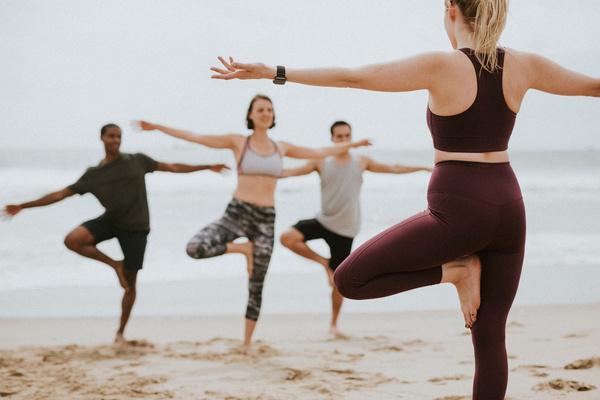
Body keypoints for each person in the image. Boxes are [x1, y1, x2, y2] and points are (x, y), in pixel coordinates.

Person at [209, 0, 600, 397]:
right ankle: (460, 273)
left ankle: (456, 272)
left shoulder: (443, 64)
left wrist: (275, 72)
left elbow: (354, 77)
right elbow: (594, 87)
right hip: (510, 208)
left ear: (451, 9)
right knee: (490, 338)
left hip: (460, 207)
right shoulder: (524, 63)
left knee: (349, 279)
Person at [136, 94, 371, 355]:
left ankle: (247, 343)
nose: (265, 113)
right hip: (237, 213)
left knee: (257, 283)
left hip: (265, 219)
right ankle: (242, 249)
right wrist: (157, 127)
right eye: (260, 109)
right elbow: (196, 137)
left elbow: (320, 152)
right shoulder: (239, 142)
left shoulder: (281, 147)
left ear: (273, 115)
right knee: (195, 247)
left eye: (269, 109)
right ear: (250, 115)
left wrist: (354, 143)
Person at [1, 123, 229, 343]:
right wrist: (23, 205)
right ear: (102, 138)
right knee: (73, 240)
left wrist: (207, 166)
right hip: (112, 220)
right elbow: (60, 194)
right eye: (111, 136)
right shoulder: (93, 174)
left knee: (130, 284)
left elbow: (173, 167)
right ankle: (114, 265)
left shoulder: (136, 160)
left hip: (137, 227)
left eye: (119, 136)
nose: (116, 140)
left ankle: (120, 332)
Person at [279, 120, 432, 337]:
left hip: (345, 230)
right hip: (323, 221)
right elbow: (289, 173)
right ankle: (325, 264)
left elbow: (393, 168)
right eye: (339, 136)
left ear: (351, 137)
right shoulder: (320, 161)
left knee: (338, 282)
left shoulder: (361, 161)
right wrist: (262, 169)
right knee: (287, 238)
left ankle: (333, 325)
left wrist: (422, 167)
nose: (343, 140)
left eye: (346, 136)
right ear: (332, 139)